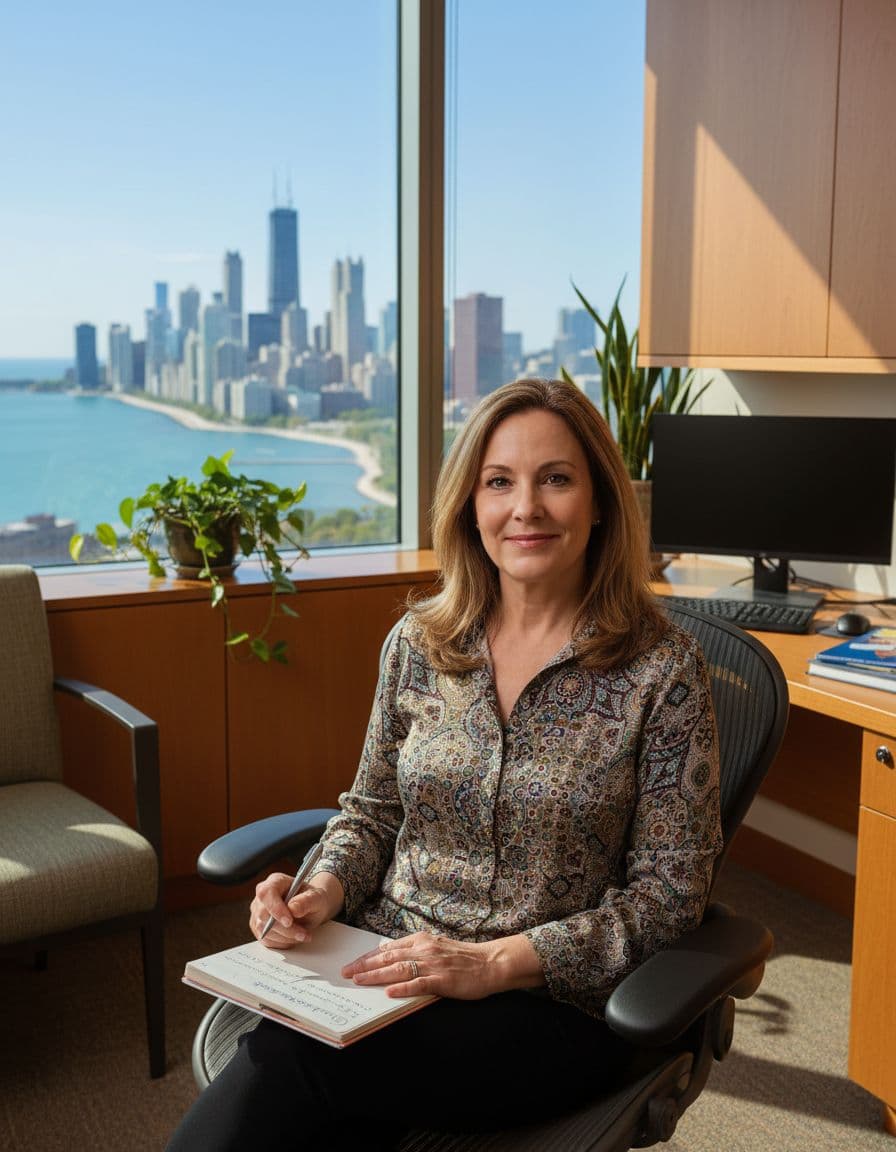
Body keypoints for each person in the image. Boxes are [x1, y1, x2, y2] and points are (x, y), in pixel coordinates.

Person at [166, 377, 722, 1151]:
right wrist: (320, 891)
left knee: (293, 1060)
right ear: (471, 506)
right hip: (385, 964)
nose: (524, 507)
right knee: (315, 1090)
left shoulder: (662, 672)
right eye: (499, 482)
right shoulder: (421, 644)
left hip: (548, 1005)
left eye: (555, 479)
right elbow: (371, 814)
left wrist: (493, 964)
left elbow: (671, 897)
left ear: (599, 504)